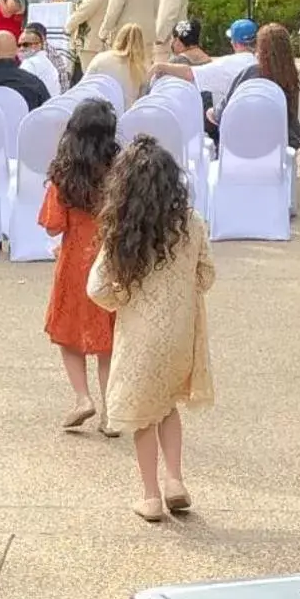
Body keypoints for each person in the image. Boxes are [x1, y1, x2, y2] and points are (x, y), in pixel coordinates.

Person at [87, 137, 215, 524]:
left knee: (143, 416)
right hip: (180, 334)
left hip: (140, 335)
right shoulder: (190, 223)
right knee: (168, 406)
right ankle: (175, 479)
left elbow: (96, 287)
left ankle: (150, 496)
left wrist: (121, 299)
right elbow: (207, 274)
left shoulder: (122, 232)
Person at [39, 101, 118, 433]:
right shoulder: (119, 169)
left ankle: (82, 398)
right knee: (108, 341)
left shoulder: (64, 173)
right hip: (111, 261)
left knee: (68, 336)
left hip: (74, 263)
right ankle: (111, 412)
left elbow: (53, 225)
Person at [215, 21, 300, 149]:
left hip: (245, 146)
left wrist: (210, 112)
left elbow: (221, 113)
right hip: (282, 146)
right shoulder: (291, 77)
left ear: (260, 48)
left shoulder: (250, 73)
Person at [66, 0, 113, 75]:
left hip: (92, 42)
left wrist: (68, 26)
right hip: (86, 41)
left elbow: (85, 11)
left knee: (91, 78)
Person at [85, 23, 149, 105]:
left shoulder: (100, 58)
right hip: (123, 114)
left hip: (94, 108)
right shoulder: (142, 70)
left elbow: (84, 84)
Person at [19, 21, 63, 99]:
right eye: (19, 45)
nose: (21, 48)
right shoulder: (42, 58)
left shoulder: (30, 63)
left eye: (26, 45)